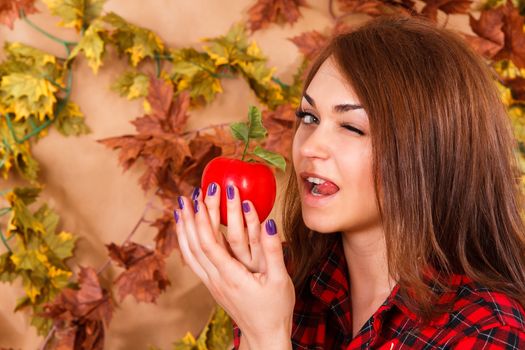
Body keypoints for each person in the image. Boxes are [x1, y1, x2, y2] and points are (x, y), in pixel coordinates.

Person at [173, 14, 525, 350]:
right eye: (309, 117)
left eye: (352, 127)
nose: (309, 147)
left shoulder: (488, 330)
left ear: (429, 152)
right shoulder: (286, 283)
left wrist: (267, 337)